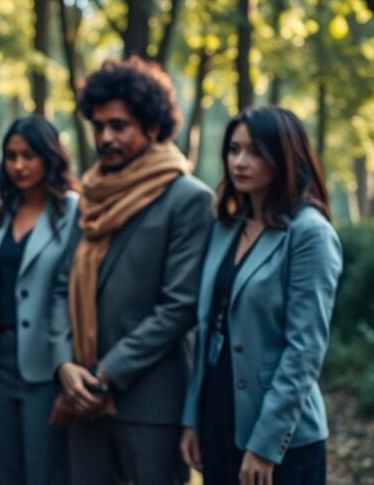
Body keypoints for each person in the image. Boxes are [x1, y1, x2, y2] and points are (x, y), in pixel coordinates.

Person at [49, 57, 214, 485]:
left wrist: (104, 375)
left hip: (150, 405)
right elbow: (62, 286)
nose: (105, 137)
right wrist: (65, 365)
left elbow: (179, 307)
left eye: (119, 126)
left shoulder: (189, 199)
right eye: (99, 125)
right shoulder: (91, 196)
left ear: (153, 127)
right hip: (82, 398)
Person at [180, 107, 342, 485]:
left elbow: (305, 350)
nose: (239, 162)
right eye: (233, 149)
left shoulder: (309, 233)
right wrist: (192, 418)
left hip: (277, 431)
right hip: (218, 412)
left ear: (284, 156)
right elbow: (207, 329)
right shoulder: (226, 227)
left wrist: (266, 445)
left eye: (255, 152)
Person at [0, 116, 77, 485]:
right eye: (11, 156)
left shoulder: (73, 211)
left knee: (44, 473)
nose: (18, 165)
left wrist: (68, 373)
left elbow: (76, 295)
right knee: (6, 473)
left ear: (49, 157)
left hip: (48, 365)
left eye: (29, 156)